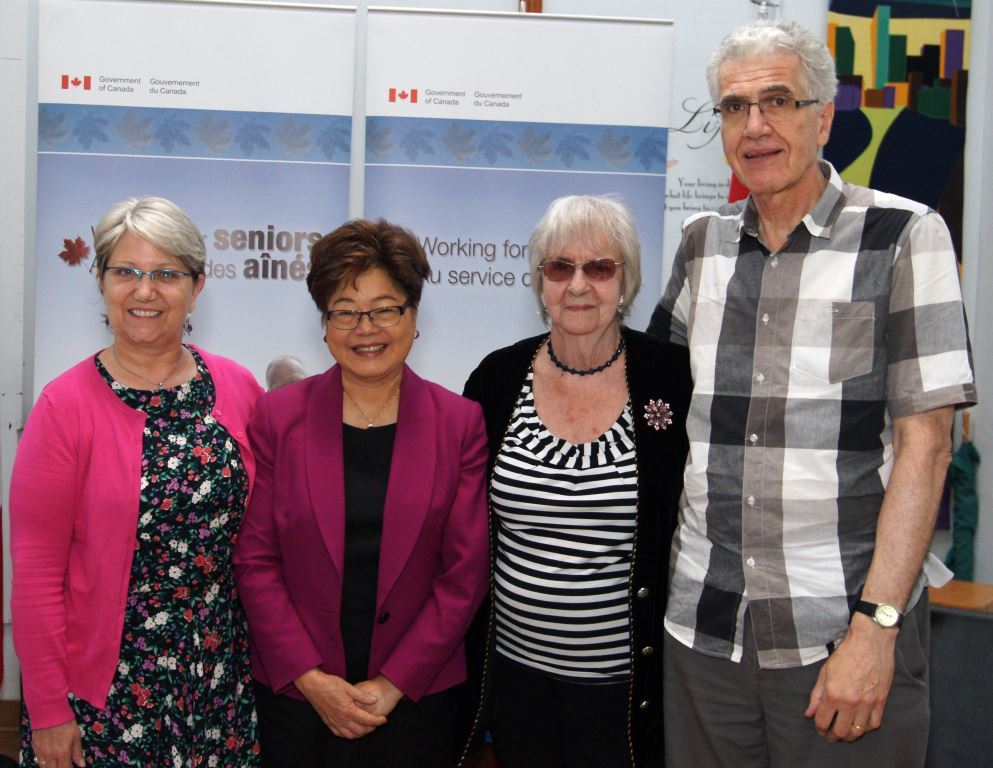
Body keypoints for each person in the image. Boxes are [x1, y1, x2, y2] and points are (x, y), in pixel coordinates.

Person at [648, 20, 977, 768]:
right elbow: (660, 414)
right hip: (704, 632)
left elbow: (928, 447)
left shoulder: (903, 236)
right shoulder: (701, 243)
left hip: (839, 634)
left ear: (822, 116)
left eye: (776, 101)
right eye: (733, 107)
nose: (754, 126)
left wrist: (875, 627)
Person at [11, 197, 263, 768]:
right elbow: (35, 576)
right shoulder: (64, 406)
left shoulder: (239, 387)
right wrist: (48, 709)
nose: (144, 291)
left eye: (166, 274)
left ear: (197, 286)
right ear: (100, 281)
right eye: (126, 271)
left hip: (219, 682)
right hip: (104, 694)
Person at [233, 218, 489, 768]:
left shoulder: (459, 423)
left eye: (384, 308)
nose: (365, 327)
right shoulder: (279, 417)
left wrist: (393, 684)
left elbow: (464, 574)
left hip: (415, 697)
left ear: (414, 316)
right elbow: (255, 559)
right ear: (325, 326)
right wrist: (310, 678)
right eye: (345, 311)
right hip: (299, 697)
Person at [461, 195, 691, 768]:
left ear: (627, 279)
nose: (580, 285)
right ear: (540, 282)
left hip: (626, 686)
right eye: (560, 268)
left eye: (600, 267)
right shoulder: (496, 378)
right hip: (515, 680)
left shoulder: (672, 378)